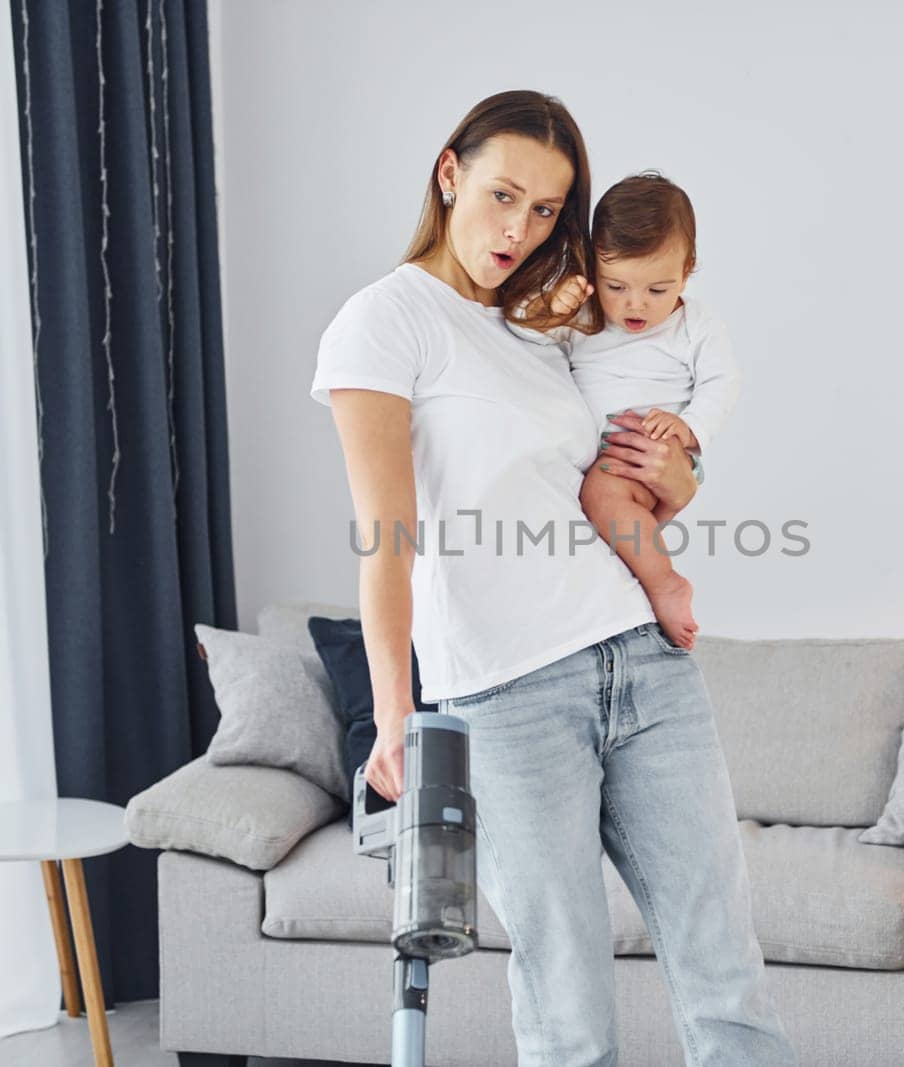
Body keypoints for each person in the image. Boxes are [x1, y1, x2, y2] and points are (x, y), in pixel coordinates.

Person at [309, 89, 797, 1067]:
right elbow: (385, 535)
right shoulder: (384, 321)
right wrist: (395, 709)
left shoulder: (544, 325)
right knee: (565, 993)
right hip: (508, 693)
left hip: (643, 661)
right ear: (448, 173)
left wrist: (682, 476)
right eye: (501, 195)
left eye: (544, 210)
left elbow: (624, 481)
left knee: (724, 969)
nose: (518, 228)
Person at [508, 172, 742, 652]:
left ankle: (665, 585)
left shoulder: (695, 324)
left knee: (601, 498)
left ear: (688, 268)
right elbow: (523, 340)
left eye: (658, 290)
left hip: (655, 446)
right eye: (616, 286)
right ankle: (639, 577)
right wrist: (554, 307)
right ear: (593, 268)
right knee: (598, 520)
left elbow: (723, 382)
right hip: (609, 455)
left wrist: (690, 427)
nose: (635, 305)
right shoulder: (587, 317)